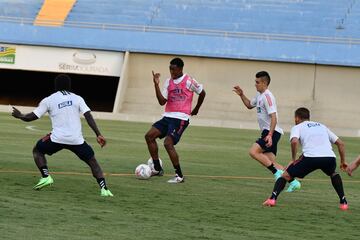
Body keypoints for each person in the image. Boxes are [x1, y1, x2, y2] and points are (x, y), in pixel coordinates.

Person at [11, 74, 113, 197]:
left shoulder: (49, 100)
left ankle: (46, 177)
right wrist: (98, 134)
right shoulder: (78, 98)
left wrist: (20, 115)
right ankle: (105, 189)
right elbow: (88, 116)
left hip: (57, 138)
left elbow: (31, 117)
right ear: (69, 86)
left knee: (37, 150)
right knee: (93, 162)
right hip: (76, 140)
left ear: (56, 86)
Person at [263, 107, 348, 210]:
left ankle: (272, 199)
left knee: (285, 175)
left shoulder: (298, 127)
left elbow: (294, 141)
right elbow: (341, 144)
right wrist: (343, 161)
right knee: (333, 173)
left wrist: (293, 159)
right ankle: (343, 202)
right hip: (329, 158)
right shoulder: (322, 126)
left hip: (310, 158)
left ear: (297, 118)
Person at [233, 71, 301, 192]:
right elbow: (249, 105)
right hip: (270, 132)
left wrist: (269, 135)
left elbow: (274, 117)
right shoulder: (259, 95)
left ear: (264, 83)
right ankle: (294, 182)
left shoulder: (268, 97)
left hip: (271, 132)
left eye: (257, 82)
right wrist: (241, 95)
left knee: (253, 152)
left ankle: (276, 173)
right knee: (270, 161)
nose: (255, 84)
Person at [145, 57, 206, 183]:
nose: (172, 72)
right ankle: (157, 168)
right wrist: (156, 85)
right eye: (170, 69)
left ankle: (179, 176)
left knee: (168, 143)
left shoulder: (189, 81)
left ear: (180, 68)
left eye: (174, 69)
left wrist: (196, 108)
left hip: (181, 118)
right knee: (149, 136)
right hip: (168, 116)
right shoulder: (168, 82)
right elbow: (162, 102)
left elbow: (202, 93)